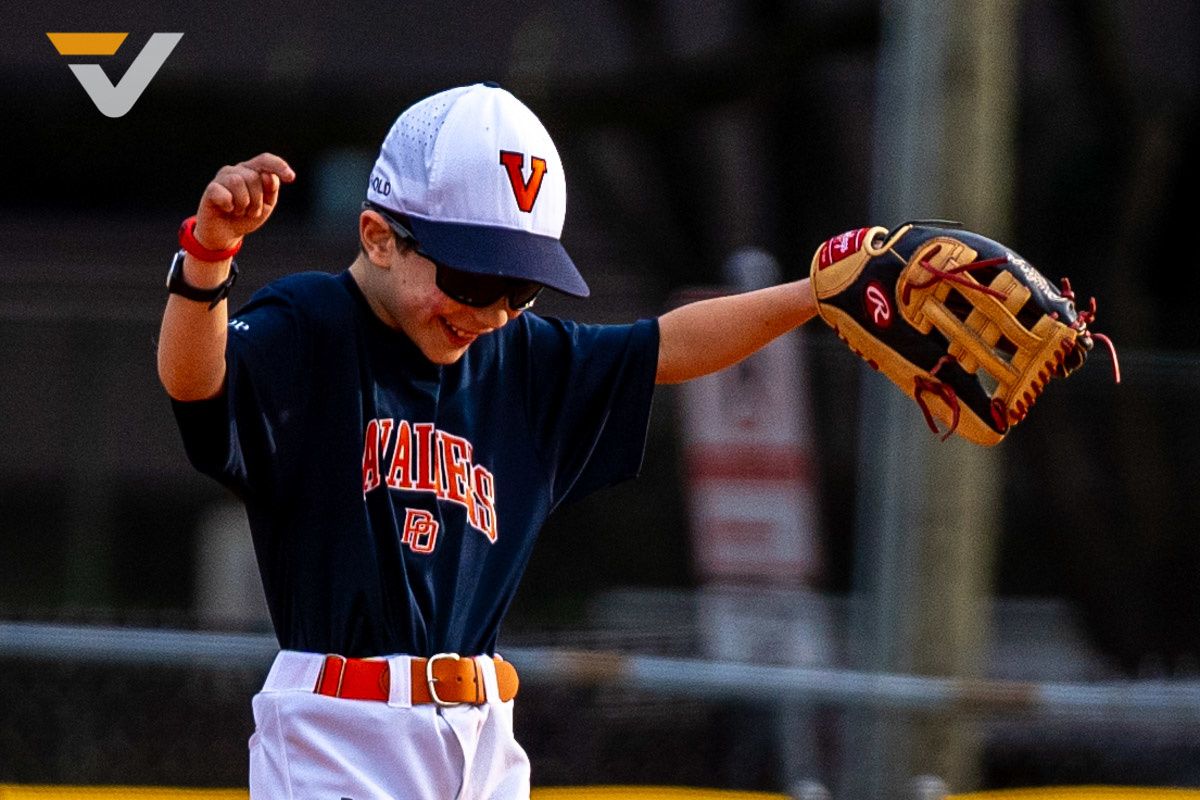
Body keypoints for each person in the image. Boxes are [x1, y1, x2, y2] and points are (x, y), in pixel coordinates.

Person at [157, 82, 816, 800]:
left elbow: (666, 345)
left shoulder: (522, 360)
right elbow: (197, 381)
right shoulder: (310, 324)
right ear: (379, 237)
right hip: (339, 728)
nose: (494, 312)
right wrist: (208, 258)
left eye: (520, 288)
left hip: (483, 736)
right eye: (472, 277)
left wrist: (819, 294)